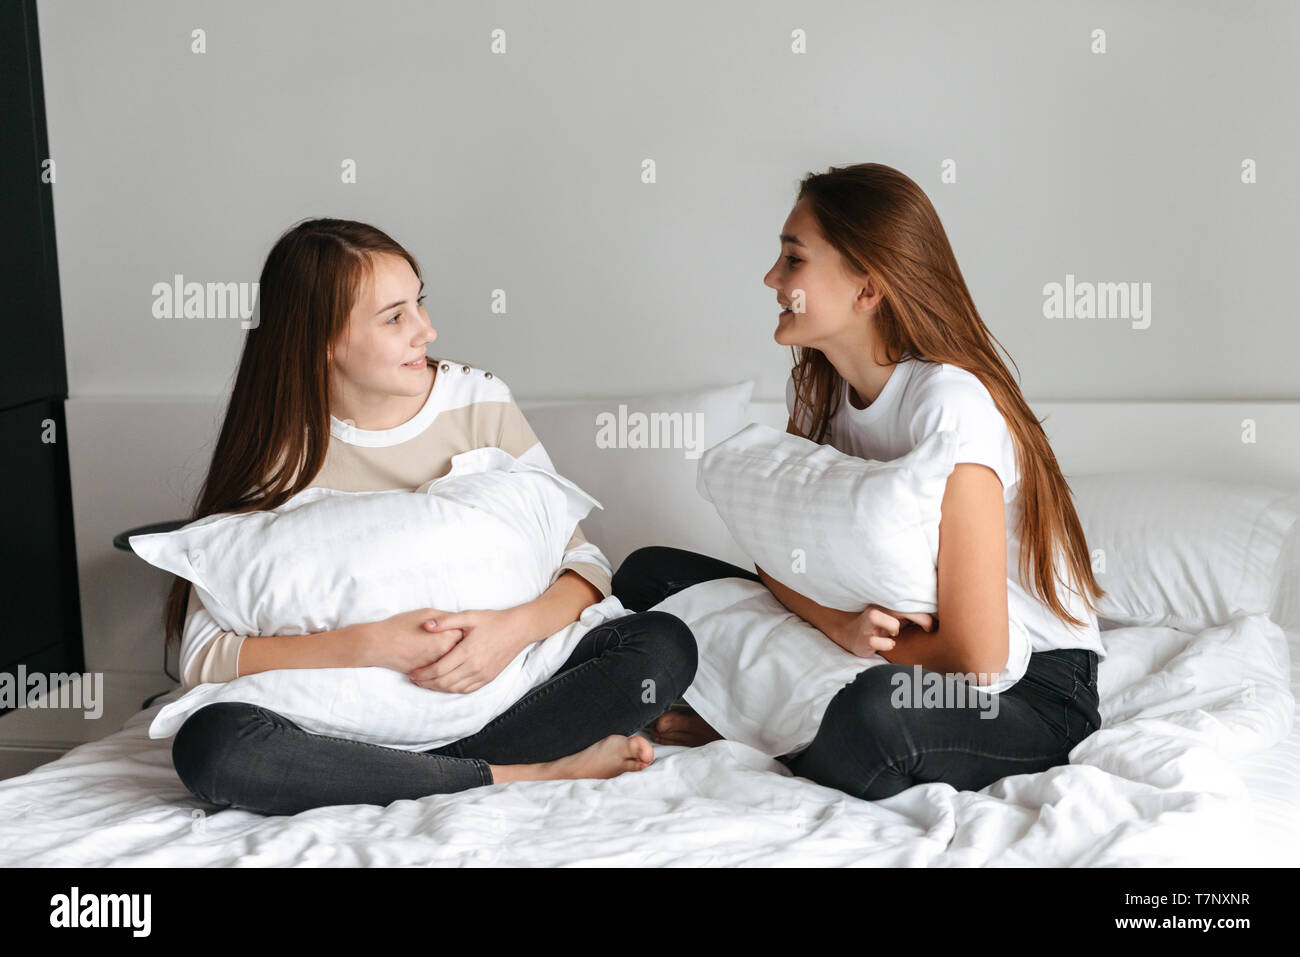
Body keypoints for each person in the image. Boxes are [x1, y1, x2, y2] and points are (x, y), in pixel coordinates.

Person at [163, 218, 697, 816]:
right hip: (348, 717)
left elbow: (582, 562)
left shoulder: (478, 402)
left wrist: (508, 634)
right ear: (323, 341)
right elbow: (203, 657)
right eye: (395, 318)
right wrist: (373, 644)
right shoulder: (281, 447)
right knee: (213, 748)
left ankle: (405, 774)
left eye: (419, 303)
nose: (427, 330)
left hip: (506, 687)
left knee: (662, 645)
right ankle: (515, 772)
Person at [613, 163, 1104, 801]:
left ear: (867, 288)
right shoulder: (825, 397)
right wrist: (839, 628)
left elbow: (980, 660)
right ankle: (778, 720)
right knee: (648, 576)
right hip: (867, 644)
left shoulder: (950, 405)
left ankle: (742, 725)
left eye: (793, 259)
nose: (771, 277)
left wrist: (860, 645)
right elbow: (778, 562)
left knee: (877, 712)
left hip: (1025, 689)